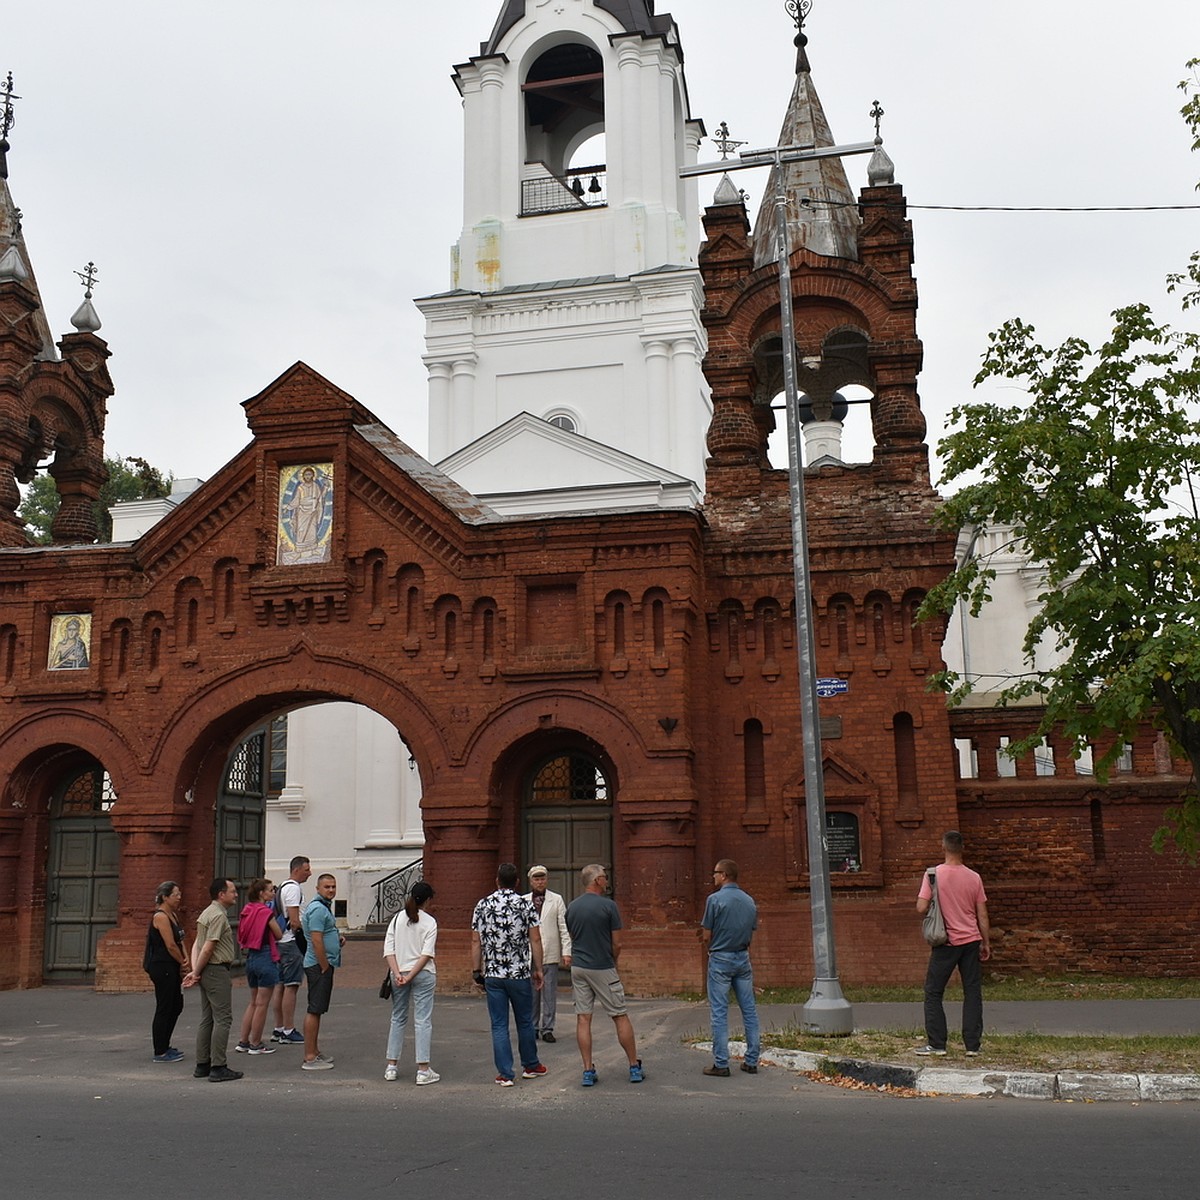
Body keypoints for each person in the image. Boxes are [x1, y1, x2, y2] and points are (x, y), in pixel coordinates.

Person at [564, 863, 643, 1087]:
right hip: (602, 966)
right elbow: (617, 943)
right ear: (597, 880)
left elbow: (573, 935)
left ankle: (587, 1070)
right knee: (619, 1015)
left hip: (579, 967)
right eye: (605, 877)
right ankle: (633, 1066)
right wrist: (613, 960)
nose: (607, 881)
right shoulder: (609, 906)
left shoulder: (572, 907)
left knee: (583, 1018)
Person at [915, 830, 992, 1057]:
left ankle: (937, 1044)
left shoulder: (933, 875)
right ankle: (972, 1046)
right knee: (972, 992)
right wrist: (985, 942)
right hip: (971, 941)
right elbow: (983, 915)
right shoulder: (974, 877)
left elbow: (920, 907)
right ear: (962, 849)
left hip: (946, 942)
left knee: (933, 992)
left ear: (943, 847)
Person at [470, 862, 547, 1086]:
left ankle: (505, 1073)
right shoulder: (525, 905)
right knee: (524, 1021)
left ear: (496, 881)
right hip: (519, 972)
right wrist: (539, 968)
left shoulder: (483, 905)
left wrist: (477, 971)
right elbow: (535, 938)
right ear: (516, 883)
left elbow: (476, 941)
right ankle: (531, 1065)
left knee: (499, 1024)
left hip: (494, 973)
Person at [700, 859, 761, 1077]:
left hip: (720, 957)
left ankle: (721, 1063)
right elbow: (751, 930)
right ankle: (752, 1060)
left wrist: (710, 947)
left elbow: (706, 934)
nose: (713, 876)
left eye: (715, 873)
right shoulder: (749, 901)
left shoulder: (714, 900)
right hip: (742, 957)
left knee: (719, 1011)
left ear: (724, 875)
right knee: (749, 1010)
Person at [383, 880, 439, 1084]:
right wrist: (411, 975)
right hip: (422, 973)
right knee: (422, 1019)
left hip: (398, 970)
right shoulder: (430, 922)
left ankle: (391, 1066)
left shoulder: (397, 918)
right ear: (428, 900)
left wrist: (398, 973)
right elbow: (426, 954)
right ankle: (423, 1070)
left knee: (398, 1017)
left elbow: (389, 949)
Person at [188, 877, 243, 1082]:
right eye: (232, 891)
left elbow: (197, 944)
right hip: (216, 969)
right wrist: (196, 971)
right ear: (221, 894)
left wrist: (195, 970)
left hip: (206, 970)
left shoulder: (206, 913)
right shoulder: (218, 916)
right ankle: (218, 1066)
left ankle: (203, 1063)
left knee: (207, 1017)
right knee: (223, 1018)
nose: (236, 894)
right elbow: (209, 946)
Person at [234, 878, 283, 1056]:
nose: (273, 893)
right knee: (263, 1003)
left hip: (251, 957)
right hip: (265, 955)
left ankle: (244, 1040)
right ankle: (256, 1043)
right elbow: (278, 934)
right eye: (270, 890)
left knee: (253, 1001)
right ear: (262, 893)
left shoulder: (247, 910)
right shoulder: (265, 912)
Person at [523, 865, 572, 1042]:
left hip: (550, 952)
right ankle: (533, 1026)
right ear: (530, 881)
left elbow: (563, 927)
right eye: (536, 879)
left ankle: (548, 1027)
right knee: (532, 994)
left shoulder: (556, 899)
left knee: (549, 992)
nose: (540, 882)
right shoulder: (523, 901)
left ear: (547, 879)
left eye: (542, 878)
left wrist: (567, 951)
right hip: (529, 954)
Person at [142, 880, 189, 1063]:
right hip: (162, 966)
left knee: (176, 1005)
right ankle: (160, 1050)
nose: (179, 897)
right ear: (165, 897)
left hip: (173, 966)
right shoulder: (160, 917)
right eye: (175, 894)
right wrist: (182, 962)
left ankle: (166, 1043)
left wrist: (186, 960)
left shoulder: (173, 916)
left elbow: (180, 940)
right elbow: (170, 945)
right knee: (165, 1006)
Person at [300, 873, 344, 1070]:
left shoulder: (323, 907)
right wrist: (324, 965)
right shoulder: (318, 909)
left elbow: (324, 935)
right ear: (317, 889)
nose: (331, 890)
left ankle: (315, 1051)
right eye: (327, 887)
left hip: (320, 964)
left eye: (333, 886)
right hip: (318, 966)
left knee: (318, 1009)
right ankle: (310, 1056)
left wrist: (337, 940)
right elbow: (316, 939)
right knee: (315, 1009)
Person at [271, 854, 311, 1044]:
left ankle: (278, 1028)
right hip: (291, 941)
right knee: (291, 986)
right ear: (296, 870)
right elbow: (295, 920)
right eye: (306, 869)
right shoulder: (294, 890)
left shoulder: (282, 887)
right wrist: (307, 934)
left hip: (280, 942)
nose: (309, 873)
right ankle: (288, 1029)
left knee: (280, 985)